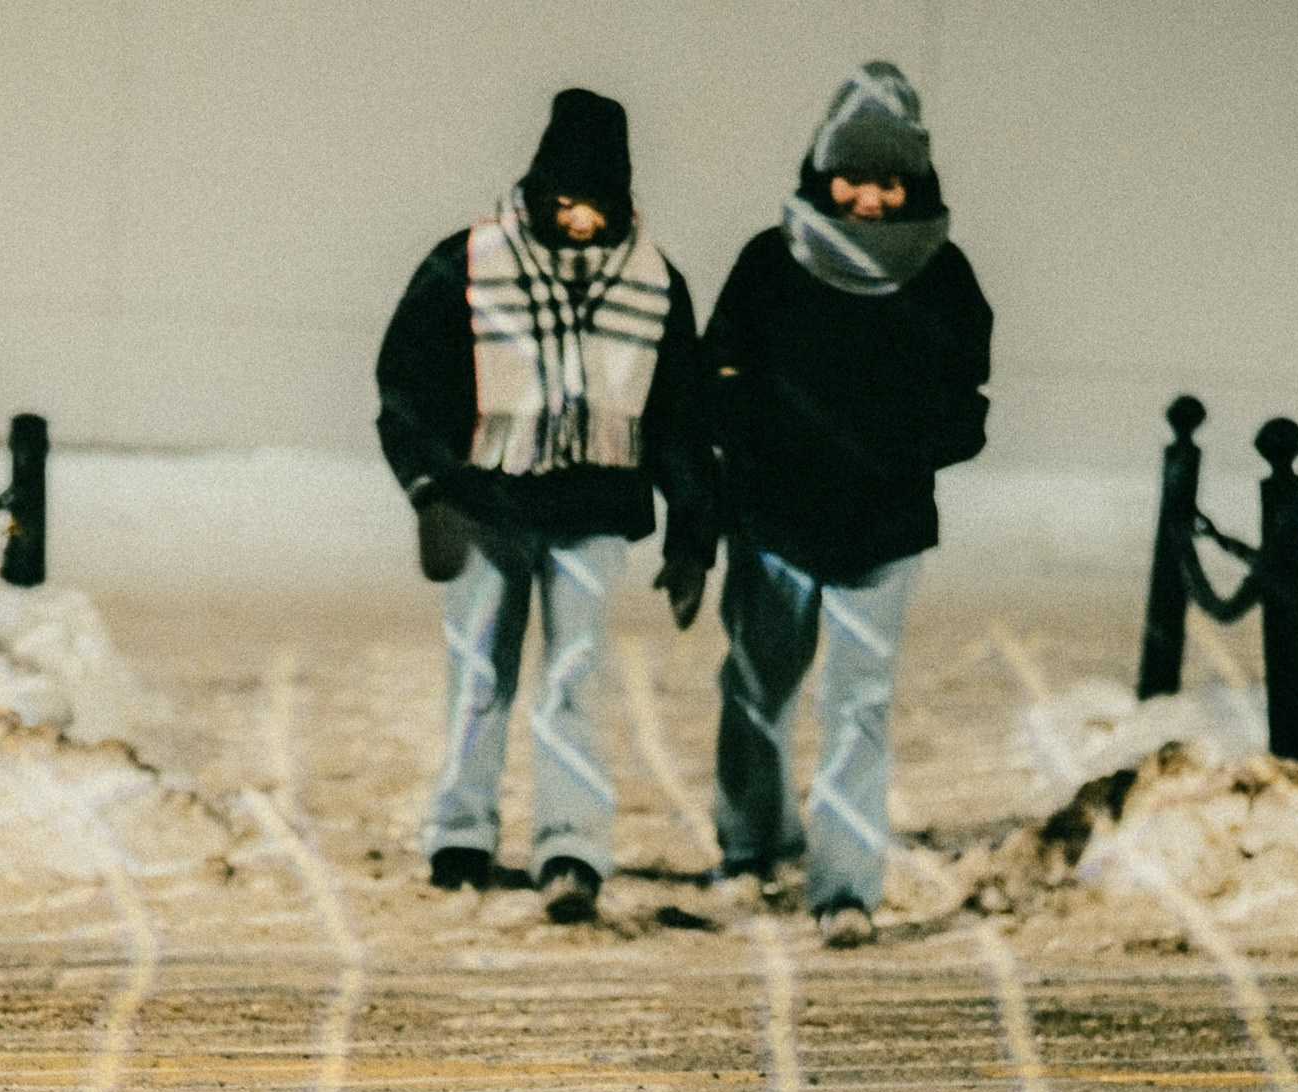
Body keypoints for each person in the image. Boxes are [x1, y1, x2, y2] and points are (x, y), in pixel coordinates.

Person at [376, 88, 715, 924]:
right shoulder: (466, 262)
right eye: (564, 201)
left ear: (621, 198)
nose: (580, 220)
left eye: (595, 204)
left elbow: (679, 420)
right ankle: (460, 836)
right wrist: (431, 489)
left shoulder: (657, 281)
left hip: (594, 511)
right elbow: (404, 386)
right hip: (488, 507)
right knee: (477, 677)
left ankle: (571, 850)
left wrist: (693, 534)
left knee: (571, 682)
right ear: (535, 191)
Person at [704, 62, 992, 947]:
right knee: (758, 689)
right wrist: (751, 459)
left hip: (883, 531)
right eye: (852, 177)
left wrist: (902, 453)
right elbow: (718, 375)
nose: (868, 197)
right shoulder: (769, 261)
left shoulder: (943, 277)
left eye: (887, 180)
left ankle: (844, 889)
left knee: (859, 707)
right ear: (821, 173)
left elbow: (967, 401)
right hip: (773, 525)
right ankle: (752, 841)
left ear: (914, 184)